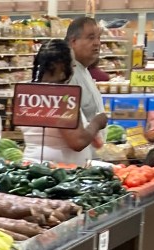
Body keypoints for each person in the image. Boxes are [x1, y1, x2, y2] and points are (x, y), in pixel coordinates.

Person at [21, 40, 108, 165]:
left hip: (32, 166)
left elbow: (48, 132)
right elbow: (77, 141)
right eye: (72, 64)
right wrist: (97, 122)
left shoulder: (27, 92)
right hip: (58, 173)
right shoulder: (60, 96)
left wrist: (86, 129)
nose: (73, 69)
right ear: (61, 66)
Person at [66, 16, 108, 154]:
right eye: (90, 38)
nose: (97, 43)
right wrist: (97, 122)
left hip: (91, 157)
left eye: (98, 38)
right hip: (74, 162)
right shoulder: (68, 75)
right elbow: (73, 134)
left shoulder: (84, 70)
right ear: (73, 42)